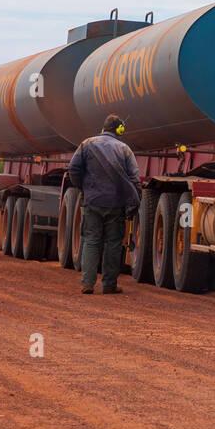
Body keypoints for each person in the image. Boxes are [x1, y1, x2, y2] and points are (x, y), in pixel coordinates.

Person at [67, 114, 141, 294]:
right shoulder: (124, 149)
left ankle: (87, 283)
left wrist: (82, 186)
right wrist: (133, 201)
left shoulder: (86, 144)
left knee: (91, 240)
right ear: (119, 130)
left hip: (92, 201)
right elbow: (135, 178)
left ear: (103, 128)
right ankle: (109, 285)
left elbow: (73, 168)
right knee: (113, 243)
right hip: (115, 204)